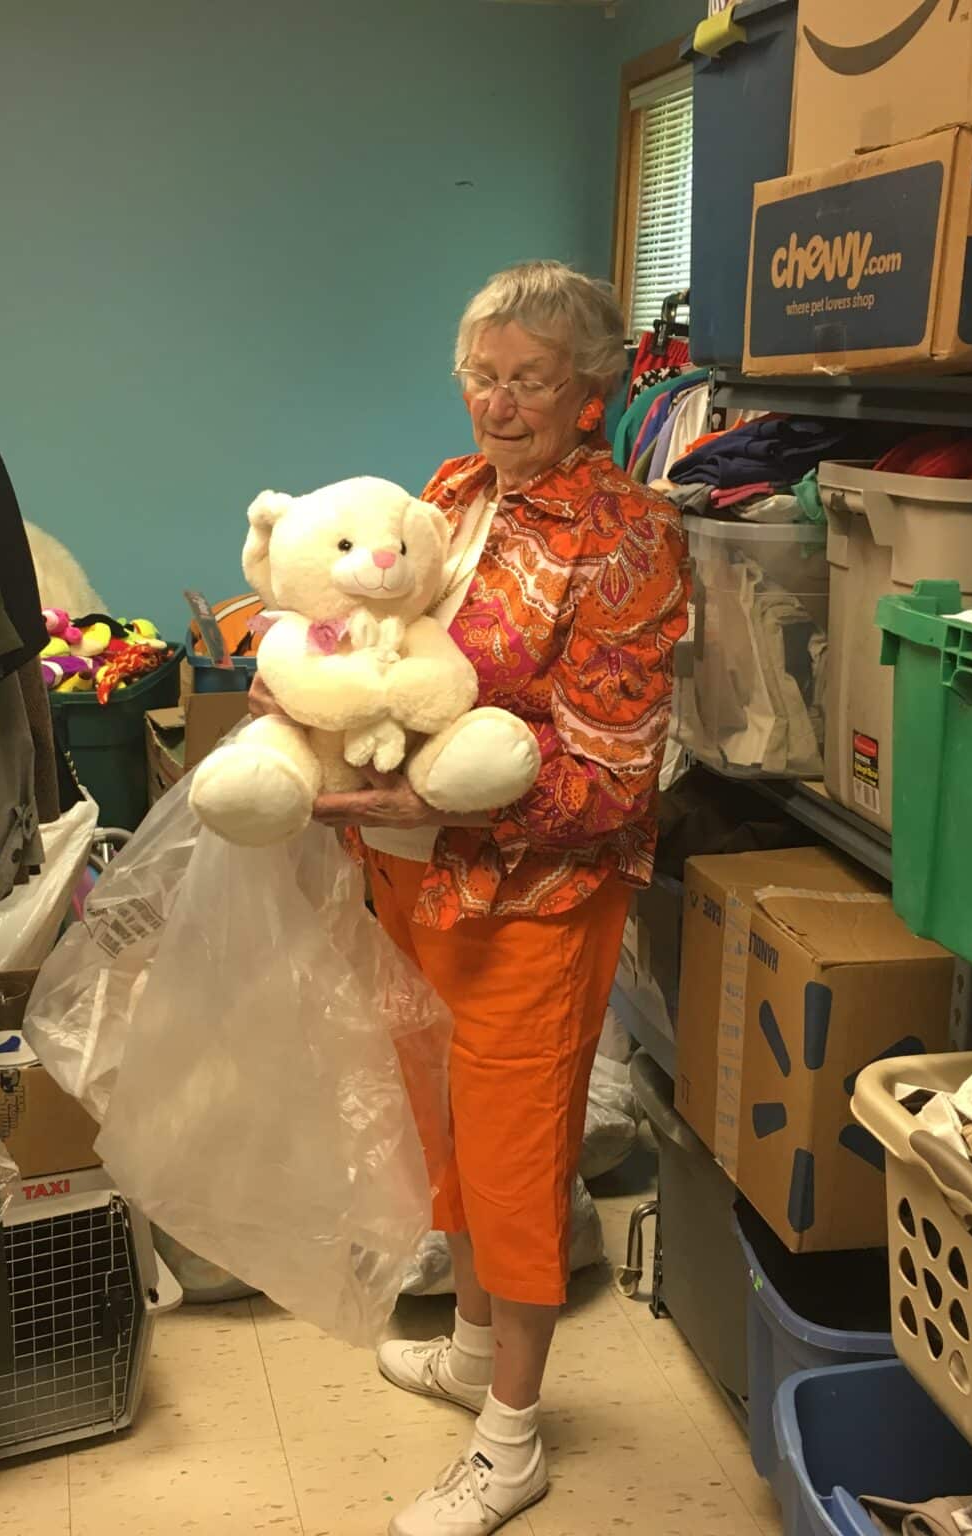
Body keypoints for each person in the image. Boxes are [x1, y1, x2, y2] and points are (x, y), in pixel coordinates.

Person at [254, 261, 688, 1535]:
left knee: (513, 1161)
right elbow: (376, 635)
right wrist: (307, 689)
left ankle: (510, 1439)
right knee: (442, 1130)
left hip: (530, 900)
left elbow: (613, 775)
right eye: (480, 376)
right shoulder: (445, 494)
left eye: (528, 382)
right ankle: (466, 1350)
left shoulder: (625, 537)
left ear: (590, 389)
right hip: (412, 878)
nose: (497, 404)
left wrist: (435, 800)